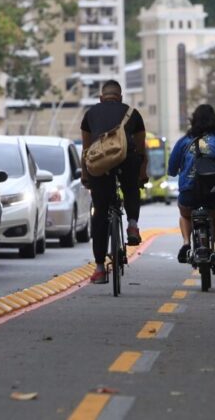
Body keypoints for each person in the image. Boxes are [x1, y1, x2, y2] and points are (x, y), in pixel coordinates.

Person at [81, 80, 147, 284]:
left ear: (101, 98)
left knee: (100, 212)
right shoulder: (133, 114)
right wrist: (141, 176)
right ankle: (133, 226)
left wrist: (86, 176)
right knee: (131, 187)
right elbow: (141, 150)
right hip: (126, 160)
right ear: (120, 98)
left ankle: (100, 269)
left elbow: (86, 151)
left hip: (101, 164)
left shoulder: (90, 115)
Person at [167, 104, 215, 272]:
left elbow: (171, 170)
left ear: (193, 121)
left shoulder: (183, 142)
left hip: (189, 194)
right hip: (214, 195)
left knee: (185, 215)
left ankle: (186, 243)